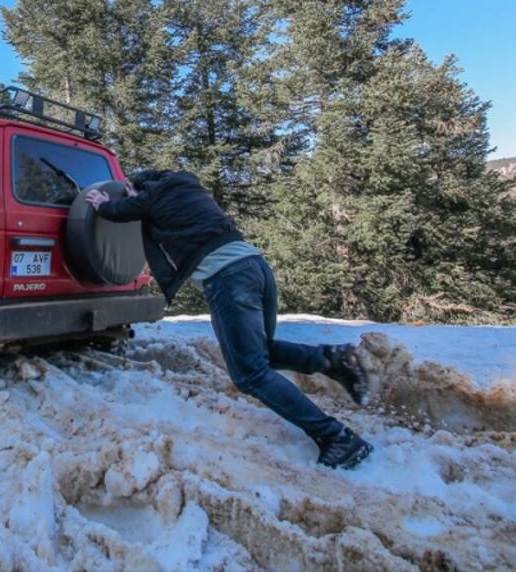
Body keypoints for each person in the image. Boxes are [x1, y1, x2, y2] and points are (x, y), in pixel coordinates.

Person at [86, 169, 374, 469]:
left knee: (250, 373)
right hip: (255, 266)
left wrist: (100, 201)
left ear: (140, 189)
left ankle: (337, 437)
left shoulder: (151, 197)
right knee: (259, 353)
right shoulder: (185, 185)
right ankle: (332, 359)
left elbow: (117, 211)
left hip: (229, 280)